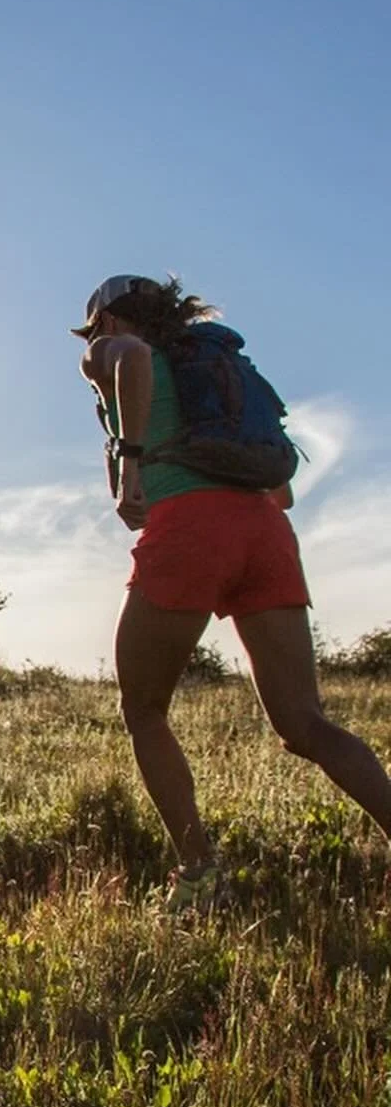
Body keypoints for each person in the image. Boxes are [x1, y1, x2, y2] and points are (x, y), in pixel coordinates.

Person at [76, 274, 391, 909]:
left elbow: (132, 356)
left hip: (190, 532)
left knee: (144, 709)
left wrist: (132, 461)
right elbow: (283, 490)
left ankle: (199, 875)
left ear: (106, 322)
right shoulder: (215, 375)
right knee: (304, 723)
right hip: (266, 532)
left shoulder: (113, 350)